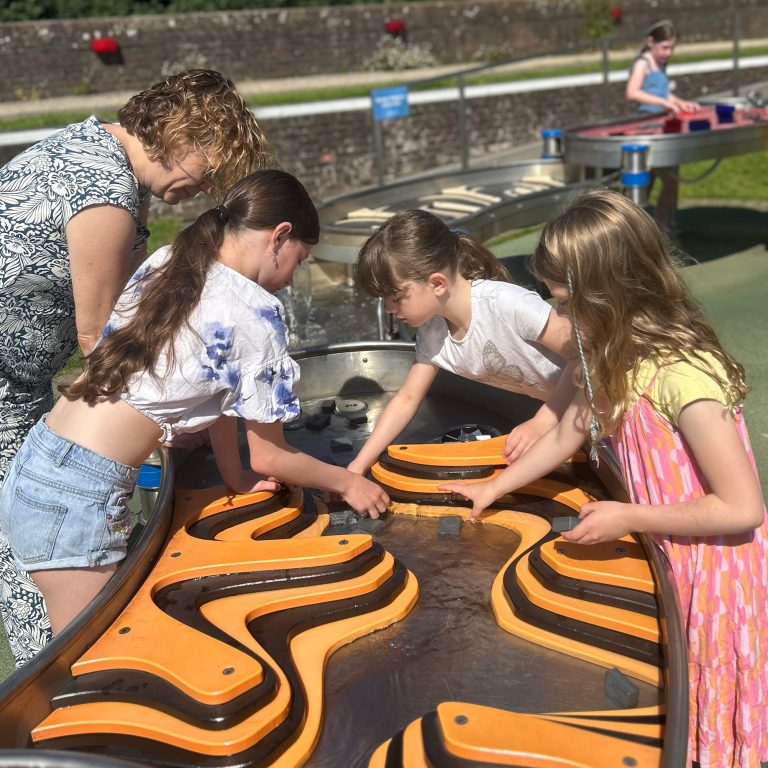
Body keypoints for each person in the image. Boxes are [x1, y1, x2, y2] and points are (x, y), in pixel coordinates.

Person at [0, 169, 390, 667]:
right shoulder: (257, 312)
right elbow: (273, 454)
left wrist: (234, 474)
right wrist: (348, 482)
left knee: (84, 659)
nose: (293, 277)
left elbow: (215, 387)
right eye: (299, 260)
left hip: (42, 461)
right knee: (89, 672)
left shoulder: (174, 261)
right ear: (280, 237)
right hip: (78, 494)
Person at [439, 189, 768, 768]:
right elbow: (568, 430)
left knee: (710, 700)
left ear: (611, 293)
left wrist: (629, 515)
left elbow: (742, 506)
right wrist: (496, 487)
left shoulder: (684, 375)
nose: (558, 319)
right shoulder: (609, 349)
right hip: (672, 549)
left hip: (714, 570)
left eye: (565, 304)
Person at [0, 68, 271, 488]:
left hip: (19, 387)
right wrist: (157, 428)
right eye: (210, 171)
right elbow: (100, 338)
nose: (206, 188)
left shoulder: (103, 152)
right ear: (181, 133)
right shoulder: (105, 190)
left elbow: (135, 309)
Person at [348, 209, 576, 489]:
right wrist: (357, 468)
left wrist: (543, 421)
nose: (389, 310)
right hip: (570, 418)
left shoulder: (506, 305)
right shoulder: (432, 332)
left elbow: (587, 357)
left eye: (396, 298)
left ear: (437, 284)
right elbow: (407, 399)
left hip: (605, 404)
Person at [625, 20, 699, 234]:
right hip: (647, 126)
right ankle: (642, 227)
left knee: (667, 179)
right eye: (665, 47)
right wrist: (665, 103)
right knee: (651, 180)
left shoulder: (661, 64)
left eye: (672, 47)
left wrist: (679, 102)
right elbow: (633, 92)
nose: (668, 52)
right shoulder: (643, 63)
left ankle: (659, 225)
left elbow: (662, 93)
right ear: (651, 42)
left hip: (662, 125)